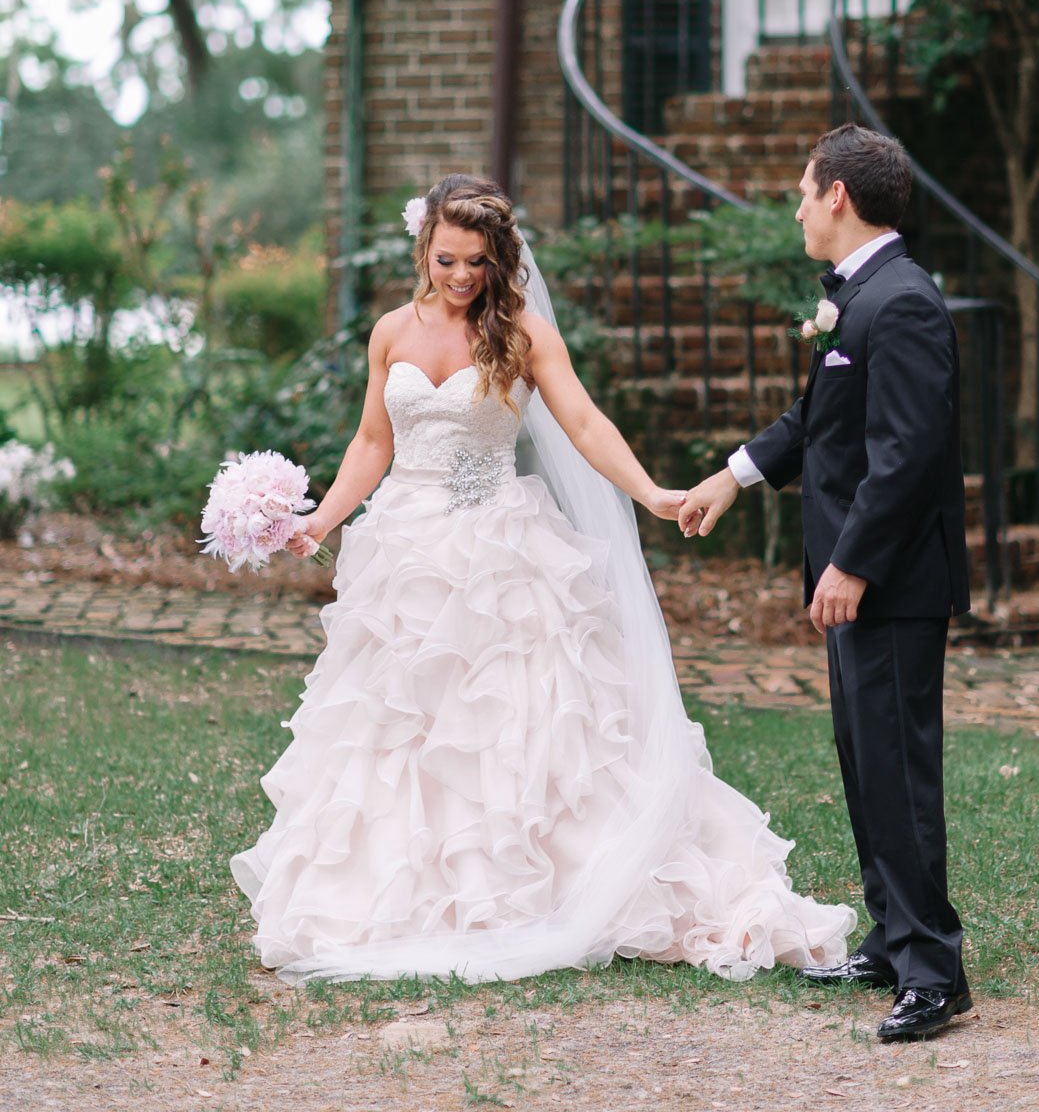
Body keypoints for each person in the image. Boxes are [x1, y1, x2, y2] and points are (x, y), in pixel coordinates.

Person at [231, 174, 854, 985]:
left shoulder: (519, 330)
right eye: (448, 260)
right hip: (405, 556)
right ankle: (410, 894)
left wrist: (652, 494)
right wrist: (321, 521)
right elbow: (372, 443)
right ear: (423, 249)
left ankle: (542, 885)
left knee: (521, 724)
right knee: (404, 731)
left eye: (478, 263)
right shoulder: (390, 331)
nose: (461, 277)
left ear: (500, 260)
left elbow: (585, 422)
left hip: (498, 551)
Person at [679, 125, 972, 1043]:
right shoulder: (860, 300)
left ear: (838, 196)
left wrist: (851, 563)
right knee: (864, 765)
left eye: (804, 192)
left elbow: (908, 458)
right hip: (858, 579)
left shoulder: (904, 303)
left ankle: (934, 972)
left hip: (887, 580)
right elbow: (820, 419)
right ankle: (892, 939)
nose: (798, 208)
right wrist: (732, 475)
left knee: (898, 772)